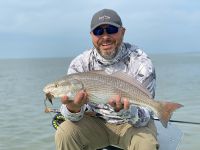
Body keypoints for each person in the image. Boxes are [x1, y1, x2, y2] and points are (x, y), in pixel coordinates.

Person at [55, 8, 159, 150]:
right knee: (64, 132)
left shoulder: (141, 62)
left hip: (132, 126)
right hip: (96, 123)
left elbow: (146, 117)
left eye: (111, 29)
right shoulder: (80, 64)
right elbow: (74, 118)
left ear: (122, 31)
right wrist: (73, 109)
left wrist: (127, 111)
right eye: (98, 32)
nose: (105, 36)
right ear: (91, 35)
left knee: (147, 144)